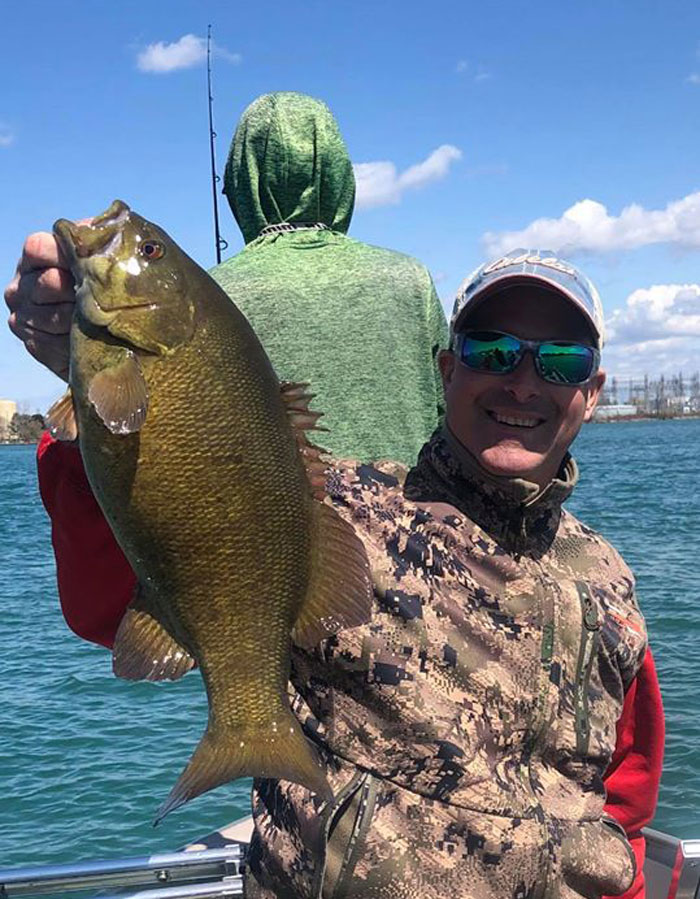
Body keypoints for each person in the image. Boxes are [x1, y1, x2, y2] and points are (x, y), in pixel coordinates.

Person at [238, 251, 664, 899]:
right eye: (491, 351)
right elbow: (126, 593)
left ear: (591, 392)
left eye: (561, 361)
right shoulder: (328, 508)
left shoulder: (609, 579)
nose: (523, 381)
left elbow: (624, 804)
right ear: (446, 369)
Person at [6, 91, 447, 467]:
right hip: (428, 551)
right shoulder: (412, 279)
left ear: (239, 186)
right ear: (340, 178)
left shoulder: (205, 296)